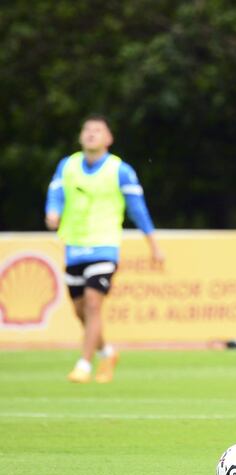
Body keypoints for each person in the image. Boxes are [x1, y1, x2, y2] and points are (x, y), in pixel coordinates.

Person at [45, 114, 163, 383]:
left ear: (109, 138)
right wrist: (52, 212)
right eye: (87, 129)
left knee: (93, 304)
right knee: (80, 311)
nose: (91, 134)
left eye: (98, 130)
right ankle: (107, 352)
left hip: (104, 246)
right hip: (74, 246)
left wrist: (153, 244)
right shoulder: (68, 165)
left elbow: (138, 210)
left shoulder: (120, 170)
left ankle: (84, 365)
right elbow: (55, 194)